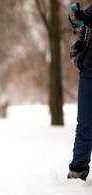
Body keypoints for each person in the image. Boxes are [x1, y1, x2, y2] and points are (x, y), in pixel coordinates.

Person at [67, 4, 92, 181]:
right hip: (90, 72)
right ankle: (78, 171)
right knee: (85, 124)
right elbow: (82, 22)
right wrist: (76, 20)